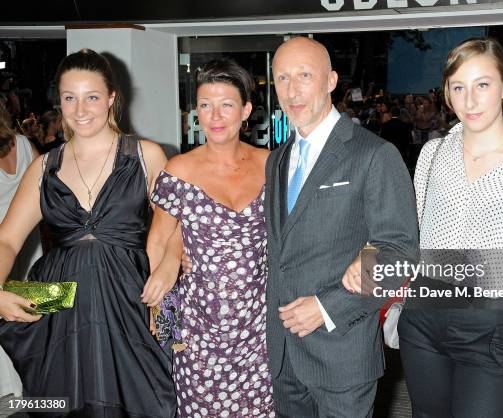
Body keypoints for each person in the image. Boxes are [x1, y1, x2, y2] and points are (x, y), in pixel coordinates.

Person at [347, 38, 503, 418]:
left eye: (482, 84)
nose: (470, 100)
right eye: (458, 87)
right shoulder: (433, 155)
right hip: (424, 319)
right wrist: (366, 265)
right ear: (446, 92)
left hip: (492, 325)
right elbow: (405, 234)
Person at [0, 48, 176, 417]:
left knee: (144, 403)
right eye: (69, 98)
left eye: (92, 97)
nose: (80, 110)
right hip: (59, 303)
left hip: (130, 297)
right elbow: (7, 240)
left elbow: (173, 229)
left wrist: (168, 269)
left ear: (111, 97)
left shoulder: (147, 156)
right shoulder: (44, 167)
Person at [266, 36, 419, 418]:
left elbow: (399, 250)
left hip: (341, 352)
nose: (292, 90)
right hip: (282, 353)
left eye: (304, 75)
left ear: (332, 80)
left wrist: (327, 306)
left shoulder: (374, 154)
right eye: (282, 78)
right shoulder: (277, 159)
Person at [143, 59, 273, 417]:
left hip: (259, 330)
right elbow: (157, 244)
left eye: (226, 104)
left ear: (246, 110)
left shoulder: (270, 165)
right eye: (204, 105)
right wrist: (167, 324)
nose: (214, 116)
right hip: (198, 330)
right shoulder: (179, 169)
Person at [0, 99, 41, 400]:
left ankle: (11, 391)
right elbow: (49, 188)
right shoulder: (25, 145)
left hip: (6, 246)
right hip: (29, 244)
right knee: (25, 317)